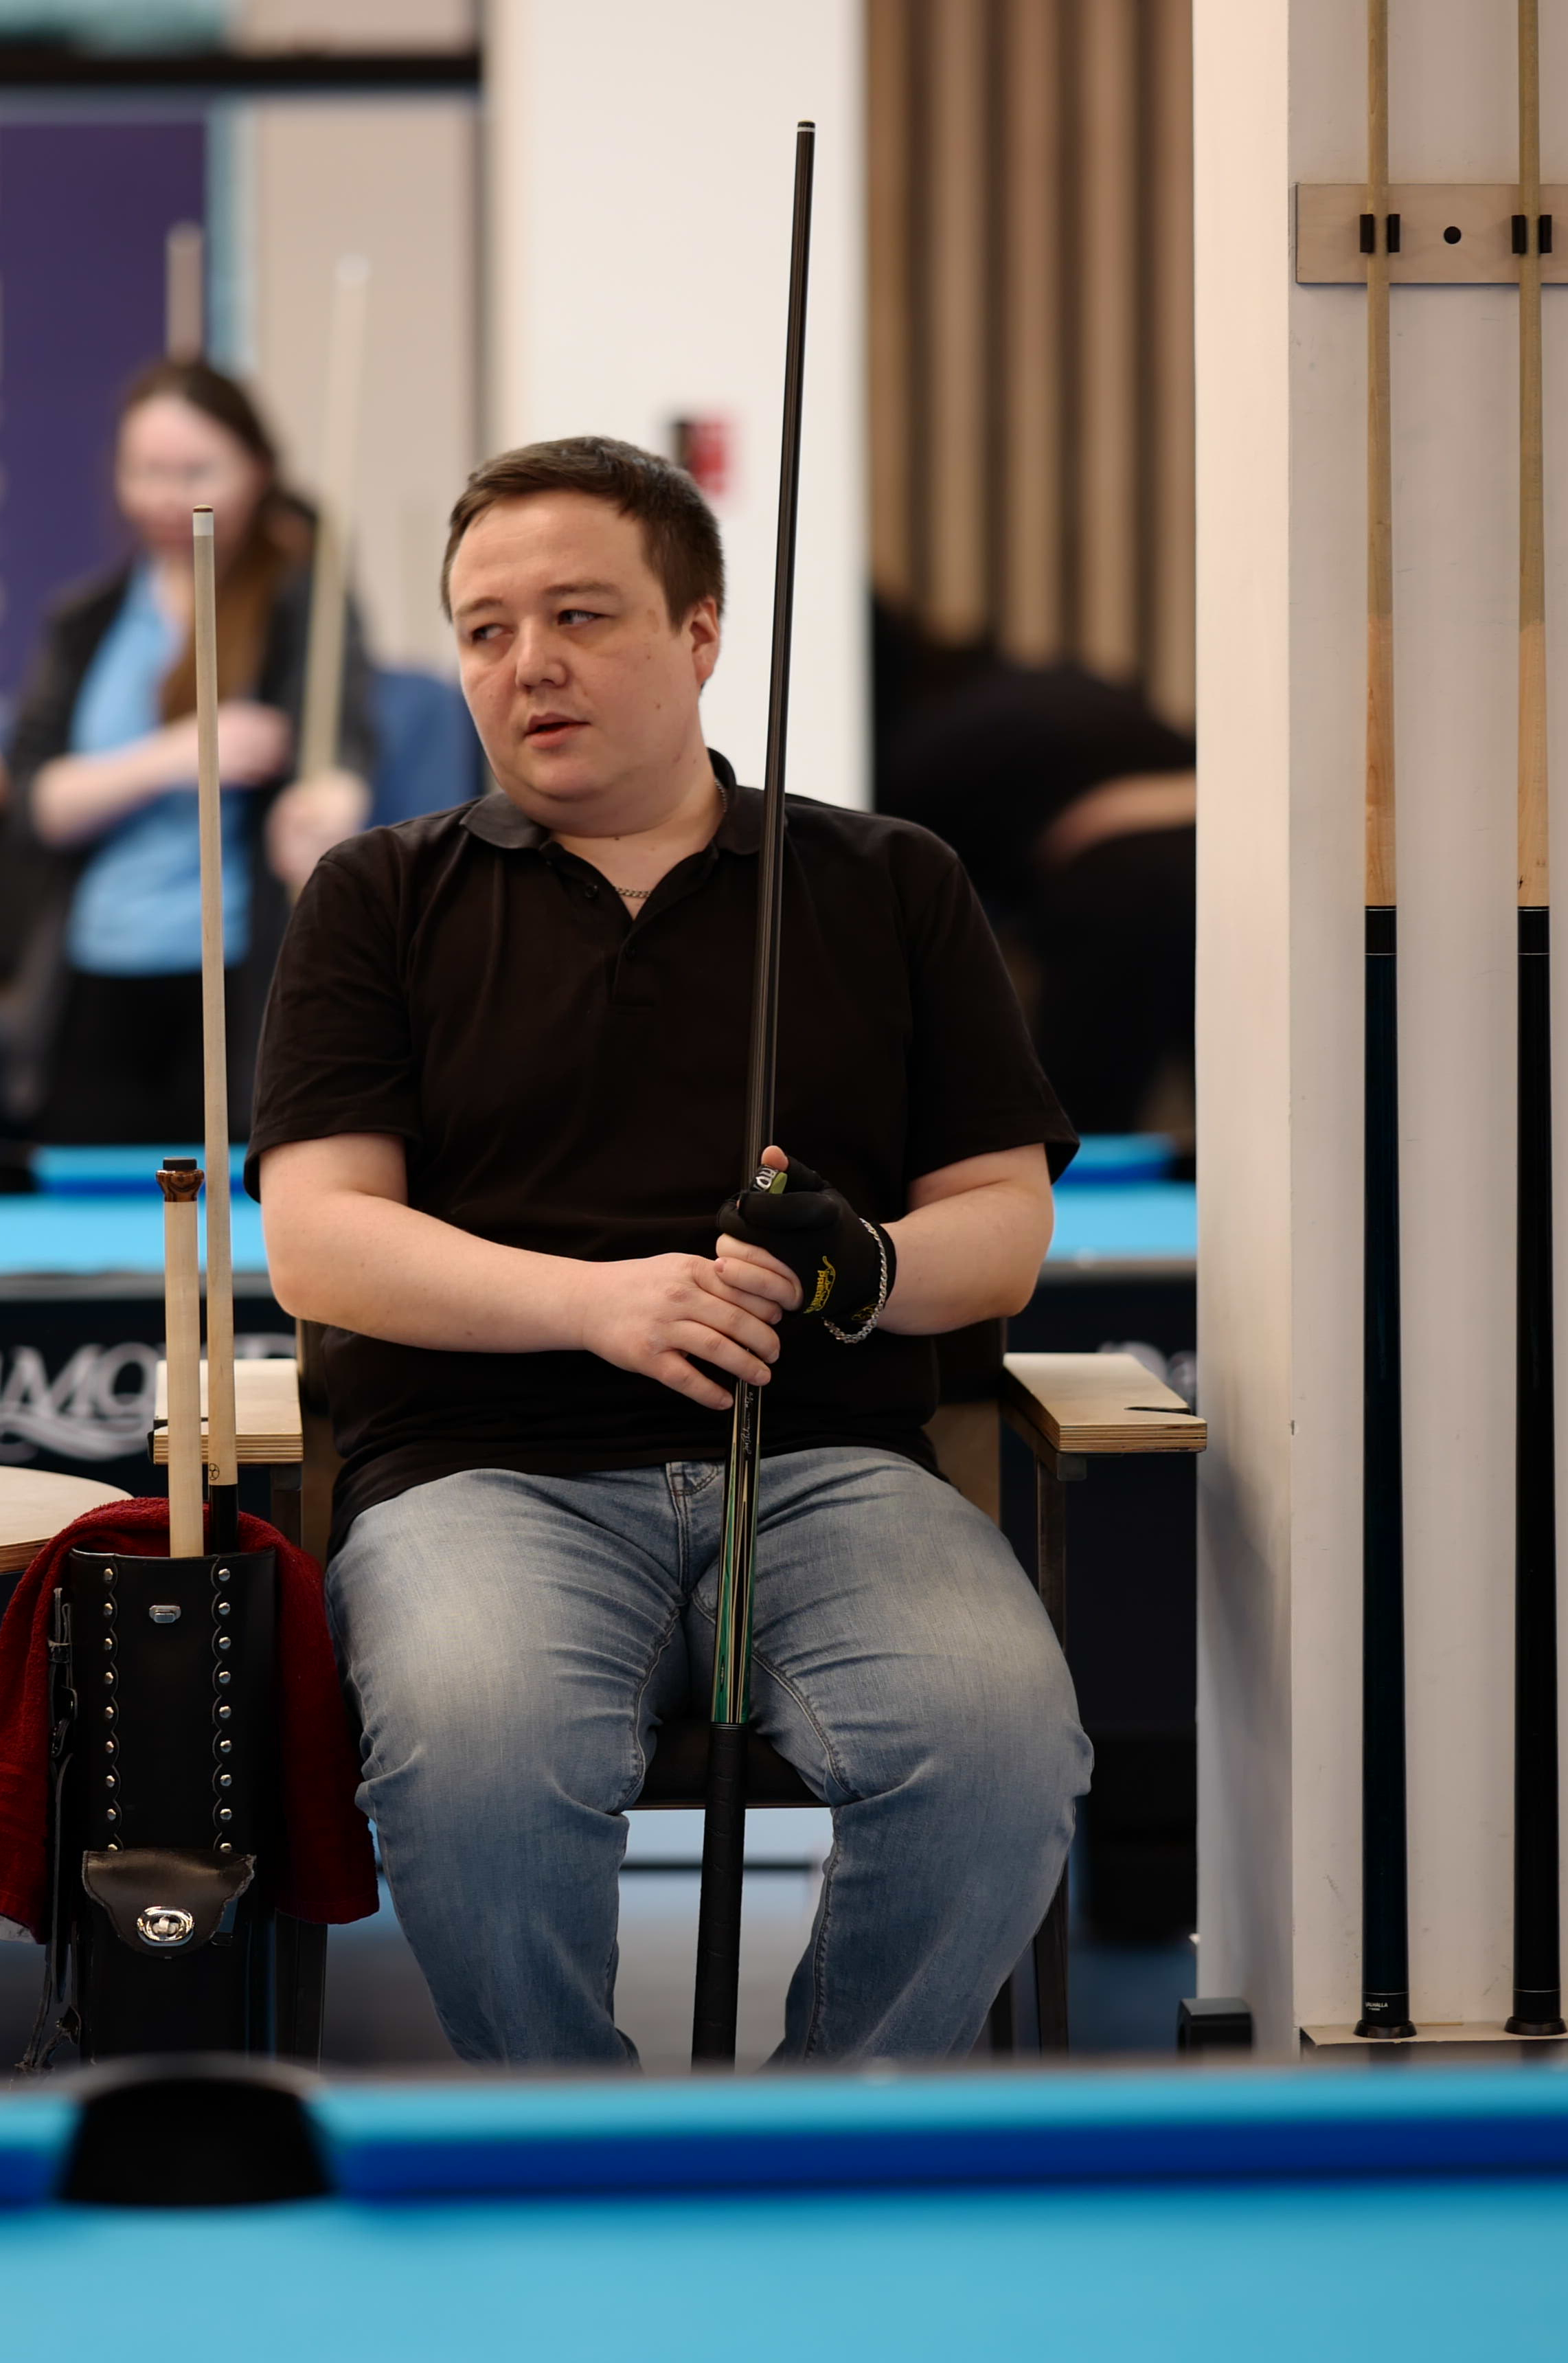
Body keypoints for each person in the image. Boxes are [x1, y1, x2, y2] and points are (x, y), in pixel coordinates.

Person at [252, 438, 1087, 2065]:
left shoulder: (887, 883)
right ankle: (585, 2162)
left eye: (579, 615)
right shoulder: (377, 897)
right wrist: (598, 1305)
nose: (528, 663)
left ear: (701, 633)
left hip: (826, 1469)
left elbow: (1001, 1226)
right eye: (485, 629)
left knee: (996, 1748)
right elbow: (319, 1242)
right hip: (481, 1478)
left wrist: (862, 1267)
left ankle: (812, 2152)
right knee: (477, 1762)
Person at [0, 359, 374, 1144]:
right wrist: (177, 754)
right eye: (145, 471)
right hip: (91, 983)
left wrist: (333, 799)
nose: (165, 496)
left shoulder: (304, 604)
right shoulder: (86, 621)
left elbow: (340, 747)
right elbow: (34, 803)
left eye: (194, 471)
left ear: (258, 471)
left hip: (236, 985)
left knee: (223, 1194)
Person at [874, 606, 1197, 1138]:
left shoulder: (915, 745)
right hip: (1230, 863)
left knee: (1079, 1137)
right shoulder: (1047, 682)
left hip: (1121, 889)